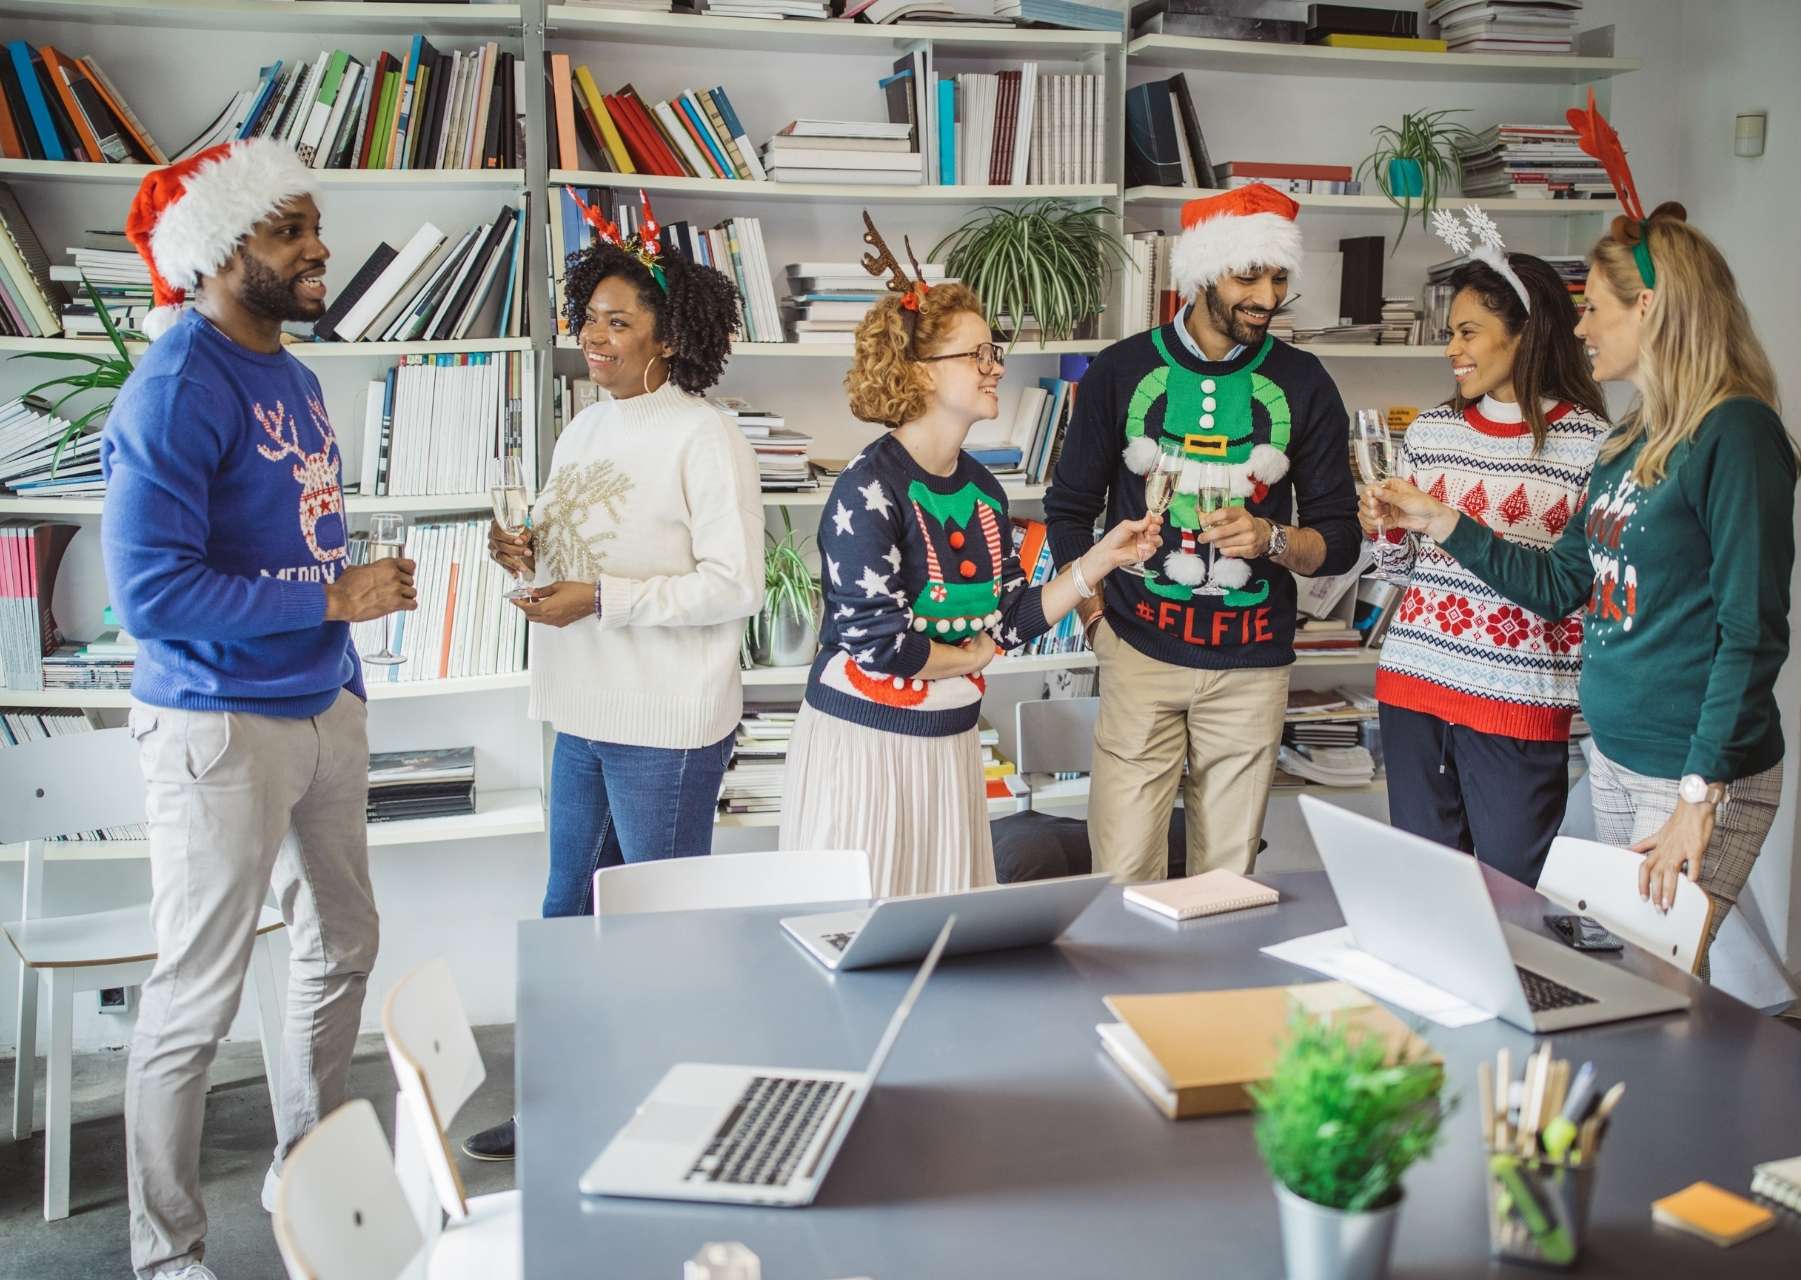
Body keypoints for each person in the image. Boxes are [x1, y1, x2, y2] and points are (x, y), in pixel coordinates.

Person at [1366, 98, 1797, 976]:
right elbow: (1565, 582)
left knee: (1655, 987)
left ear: (1656, 310)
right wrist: (1440, 521)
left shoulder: (1736, 434)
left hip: (1687, 767)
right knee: (1629, 983)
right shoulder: (1633, 439)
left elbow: (1752, 630)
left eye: (1597, 306)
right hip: (1618, 754)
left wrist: (1695, 793)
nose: (1584, 324)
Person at [101, 140, 414, 1280]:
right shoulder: (177, 383)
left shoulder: (291, 372)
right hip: (216, 722)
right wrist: (329, 595)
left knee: (341, 942)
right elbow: (148, 591)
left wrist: (342, 641)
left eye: (312, 224)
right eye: (289, 229)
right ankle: (166, 1250)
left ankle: (305, 1168)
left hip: (322, 702)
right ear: (223, 249)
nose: (318, 245)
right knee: (197, 994)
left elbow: (290, 535)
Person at [465, 190, 762, 1162]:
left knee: (657, 930)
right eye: (589, 315)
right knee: (566, 915)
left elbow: (733, 585)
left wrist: (603, 599)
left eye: (616, 321)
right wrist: (527, 555)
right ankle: (564, 1102)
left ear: (667, 338)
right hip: (582, 702)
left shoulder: (703, 434)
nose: (592, 334)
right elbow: (570, 552)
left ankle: (674, 1114)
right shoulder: (586, 426)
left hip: (666, 719)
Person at [780, 219, 1156, 896]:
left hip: (948, 745)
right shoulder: (867, 489)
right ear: (919, 373)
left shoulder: (982, 486)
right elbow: (878, 645)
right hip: (869, 749)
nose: (996, 367)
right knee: (861, 931)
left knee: (944, 935)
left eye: (994, 351)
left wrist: (1098, 560)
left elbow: (1010, 618)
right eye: (977, 354)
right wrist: (973, 658)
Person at [1043, 183, 1363, 884]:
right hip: (1138, 652)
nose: (1268, 295)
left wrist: (1272, 539)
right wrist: (1098, 623)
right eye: (1248, 275)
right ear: (1202, 273)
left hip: (1252, 671)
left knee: (1226, 883)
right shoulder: (1121, 370)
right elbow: (1069, 511)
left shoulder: (1305, 382)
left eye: (1278, 277)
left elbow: (1339, 540)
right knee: (1122, 877)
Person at [1368, 222, 1611, 888]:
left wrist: (1446, 521)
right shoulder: (1431, 430)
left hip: (1520, 697)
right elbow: (1402, 574)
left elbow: (1571, 587)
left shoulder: (1591, 446)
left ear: (1525, 333)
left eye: (1467, 331)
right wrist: (1388, 531)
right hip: (1415, 685)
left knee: (1510, 900)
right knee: (1426, 895)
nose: (1452, 348)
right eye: (1451, 332)